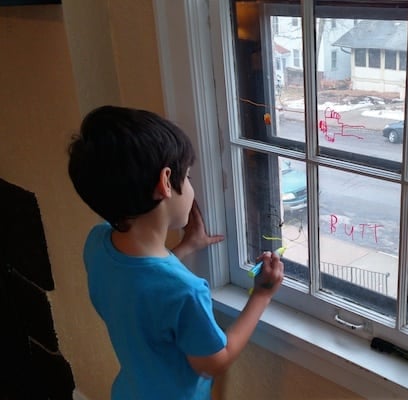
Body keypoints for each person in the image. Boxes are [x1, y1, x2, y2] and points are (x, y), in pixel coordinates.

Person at [68, 105, 284, 399]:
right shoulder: (185, 292)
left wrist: (186, 247)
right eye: (190, 178)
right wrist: (262, 295)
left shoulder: (98, 244)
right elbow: (214, 361)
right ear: (166, 182)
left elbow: (141, 284)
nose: (193, 188)